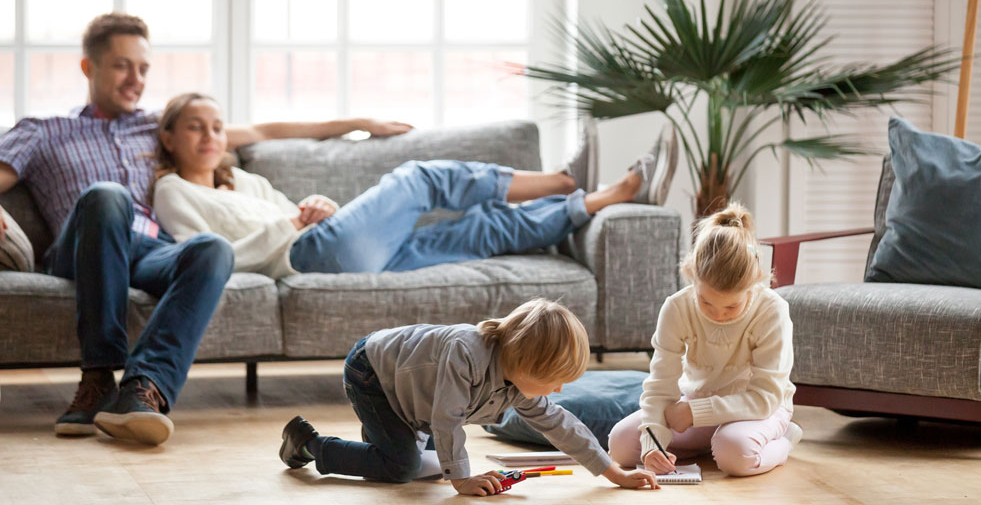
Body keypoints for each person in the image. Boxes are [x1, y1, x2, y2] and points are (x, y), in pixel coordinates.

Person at [0, 13, 412, 445]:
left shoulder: (156, 127)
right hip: (83, 249)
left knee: (212, 248)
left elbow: (262, 130)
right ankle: (98, 375)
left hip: (146, 249)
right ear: (89, 67)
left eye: (143, 68)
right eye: (122, 66)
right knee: (108, 195)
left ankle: (144, 390)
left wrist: (359, 123)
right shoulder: (44, 132)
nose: (135, 79)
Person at [149, 93, 666, 278]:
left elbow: (295, 209)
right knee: (419, 178)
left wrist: (317, 205)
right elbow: (203, 258)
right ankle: (561, 178)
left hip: (332, 245)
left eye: (217, 126)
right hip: (307, 255)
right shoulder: (173, 191)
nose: (211, 136)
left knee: (479, 230)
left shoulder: (243, 180)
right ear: (169, 138)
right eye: (195, 126)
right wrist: (292, 224)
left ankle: (602, 197)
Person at [278, 299, 659, 495]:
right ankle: (309, 444)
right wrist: (461, 479)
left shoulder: (518, 383)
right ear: (526, 364)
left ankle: (383, 442)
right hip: (373, 374)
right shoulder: (466, 352)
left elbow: (561, 425)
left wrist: (615, 473)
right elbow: (447, 420)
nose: (557, 391)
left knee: (423, 467)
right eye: (553, 381)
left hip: (413, 396)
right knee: (403, 468)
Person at [607, 203, 803, 477]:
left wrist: (694, 412)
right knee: (620, 446)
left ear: (755, 282)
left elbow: (764, 398)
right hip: (697, 404)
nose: (718, 315)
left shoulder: (772, 311)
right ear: (691, 274)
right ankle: (710, 443)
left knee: (735, 455)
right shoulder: (676, 307)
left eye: (731, 307)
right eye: (706, 302)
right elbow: (660, 386)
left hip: (759, 409)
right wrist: (653, 445)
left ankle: (781, 441)